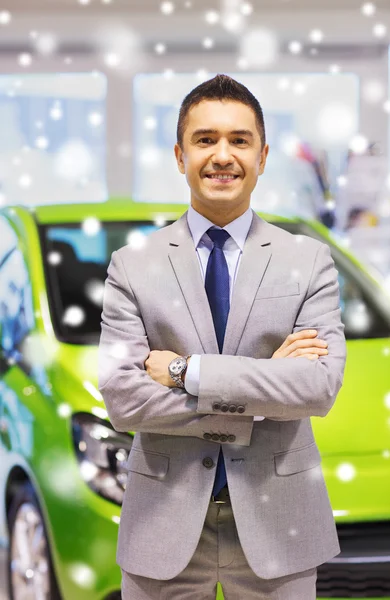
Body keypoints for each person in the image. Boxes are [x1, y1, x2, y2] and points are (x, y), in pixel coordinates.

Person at [98, 73, 347, 600]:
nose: (222, 155)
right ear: (179, 154)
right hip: (161, 527)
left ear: (262, 155)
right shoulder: (132, 266)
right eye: (205, 139)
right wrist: (261, 394)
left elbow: (317, 388)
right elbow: (123, 400)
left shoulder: (308, 261)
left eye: (240, 140)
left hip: (281, 523)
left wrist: (186, 372)